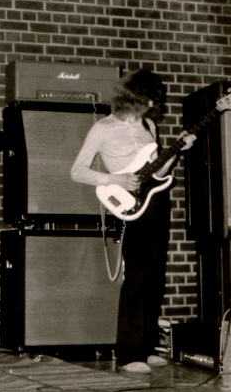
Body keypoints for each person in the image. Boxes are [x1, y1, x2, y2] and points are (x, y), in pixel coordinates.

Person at [70, 69, 195, 374]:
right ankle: (128, 353)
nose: (151, 104)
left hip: (156, 203)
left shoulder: (150, 124)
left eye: (154, 99)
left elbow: (158, 171)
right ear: (131, 97)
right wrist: (114, 178)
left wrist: (178, 151)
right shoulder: (103, 128)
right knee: (136, 277)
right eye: (146, 99)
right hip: (128, 205)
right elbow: (77, 170)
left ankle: (146, 345)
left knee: (155, 276)